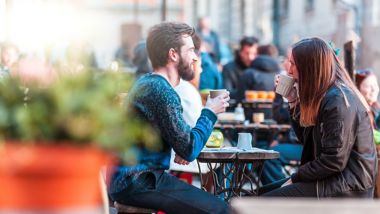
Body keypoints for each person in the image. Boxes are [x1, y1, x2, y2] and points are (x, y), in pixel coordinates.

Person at [108, 22, 230, 214]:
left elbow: (182, 142)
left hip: (134, 180)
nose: (195, 58)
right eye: (190, 50)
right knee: (221, 209)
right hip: (139, 181)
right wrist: (210, 112)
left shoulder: (150, 84)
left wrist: (181, 146)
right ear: (173, 54)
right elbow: (190, 148)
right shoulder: (161, 91)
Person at [262, 37, 377, 197]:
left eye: (293, 64)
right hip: (332, 179)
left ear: (309, 67)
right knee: (254, 195)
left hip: (348, 187)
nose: (289, 71)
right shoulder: (326, 94)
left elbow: (333, 160)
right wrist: (293, 101)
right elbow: (306, 140)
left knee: (260, 202)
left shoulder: (338, 100)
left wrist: (296, 178)